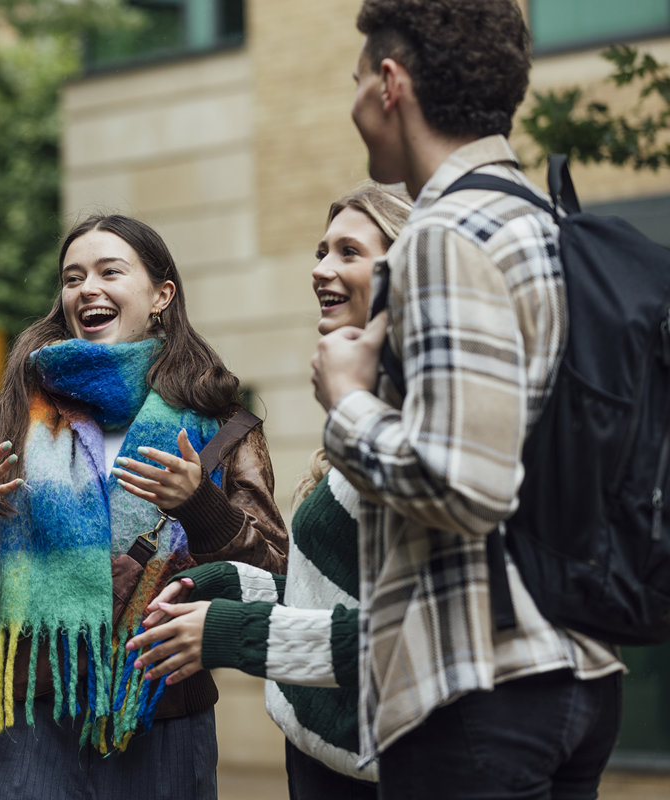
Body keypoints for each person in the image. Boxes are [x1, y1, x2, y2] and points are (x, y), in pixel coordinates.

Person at [311, 1, 624, 797]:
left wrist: (347, 403)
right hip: (575, 669)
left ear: (391, 82)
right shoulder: (544, 219)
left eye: (355, 81)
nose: (352, 104)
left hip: (479, 684)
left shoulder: (448, 233)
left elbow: (465, 484)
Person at [0, 213, 289, 799]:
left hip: (165, 714)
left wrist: (199, 503)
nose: (87, 288)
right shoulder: (22, 416)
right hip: (35, 717)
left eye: (110, 271)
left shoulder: (220, 423)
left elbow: (273, 576)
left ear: (160, 296)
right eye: (73, 277)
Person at [128, 184, 411, 800]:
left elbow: (408, 635)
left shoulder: (414, 428)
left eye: (348, 252)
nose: (320, 268)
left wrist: (227, 632)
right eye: (320, 250)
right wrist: (221, 585)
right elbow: (319, 594)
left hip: (388, 764)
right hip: (321, 757)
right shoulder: (370, 411)